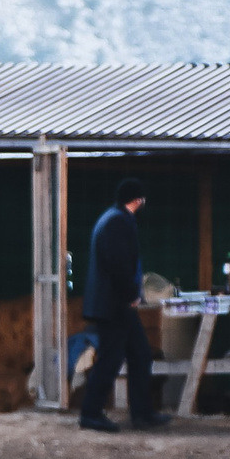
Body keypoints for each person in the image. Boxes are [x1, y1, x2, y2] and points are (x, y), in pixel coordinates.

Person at [76, 178, 169, 434]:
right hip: (115, 305)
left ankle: (142, 412)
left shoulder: (110, 218)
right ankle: (91, 413)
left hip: (112, 304)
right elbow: (118, 264)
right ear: (138, 200)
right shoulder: (118, 222)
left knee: (140, 355)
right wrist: (131, 294)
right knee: (111, 359)